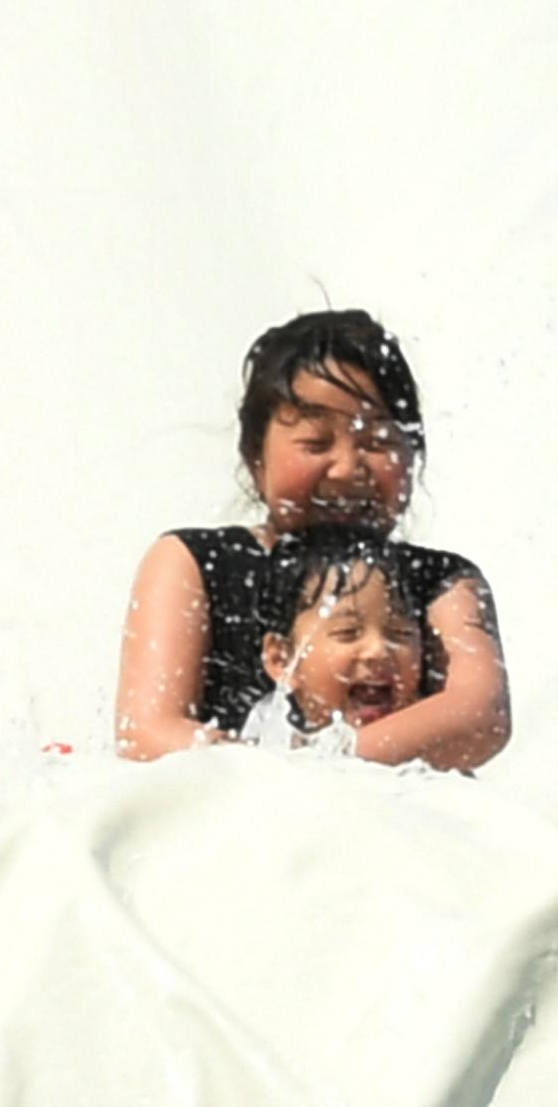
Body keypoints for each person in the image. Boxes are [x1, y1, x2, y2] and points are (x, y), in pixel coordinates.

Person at [114, 310, 508, 769]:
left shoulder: (440, 581)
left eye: (378, 442)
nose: (347, 468)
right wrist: (282, 775)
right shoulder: (196, 563)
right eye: (317, 443)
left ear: (413, 452)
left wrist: (326, 766)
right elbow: (147, 732)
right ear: (255, 458)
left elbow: (480, 717)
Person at [234, 547, 427, 757]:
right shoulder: (264, 743)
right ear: (282, 659)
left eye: (400, 633)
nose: (379, 650)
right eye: (348, 633)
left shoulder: (434, 750)